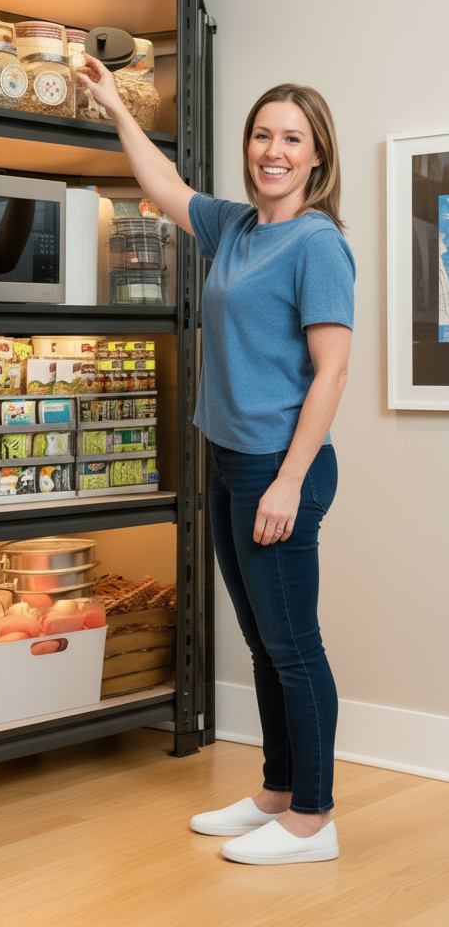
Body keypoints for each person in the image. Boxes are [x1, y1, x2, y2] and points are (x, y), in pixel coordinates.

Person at [77, 56, 355, 867]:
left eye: (291, 138)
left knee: (293, 644)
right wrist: (112, 107)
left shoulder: (317, 244)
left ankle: (313, 818)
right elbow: (163, 184)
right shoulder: (235, 226)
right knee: (263, 641)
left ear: (315, 157)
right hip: (231, 461)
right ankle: (275, 790)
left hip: (279, 468)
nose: (273, 149)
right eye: (262, 134)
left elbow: (331, 371)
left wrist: (289, 482)